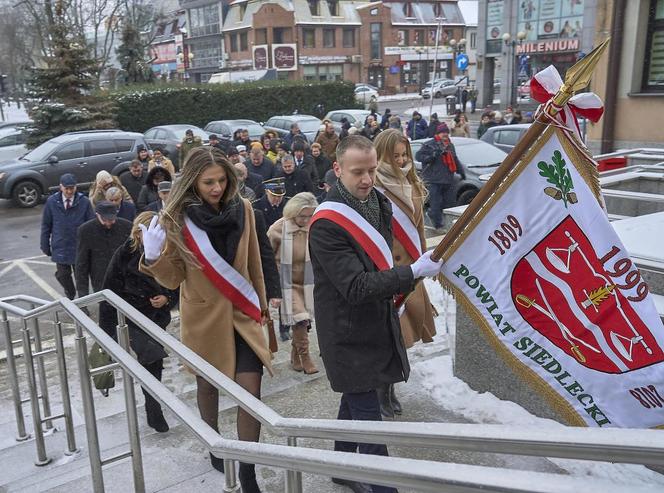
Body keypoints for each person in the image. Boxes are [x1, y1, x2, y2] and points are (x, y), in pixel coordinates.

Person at [139, 147, 281, 491]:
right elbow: (173, 279)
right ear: (193, 182)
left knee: (251, 391)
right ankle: (214, 442)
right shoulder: (176, 218)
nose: (216, 188)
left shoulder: (245, 209)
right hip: (203, 316)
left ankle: (247, 472)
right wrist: (153, 255)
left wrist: (269, 295)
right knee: (208, 386)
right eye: (208, 182)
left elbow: (260, 254)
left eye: (221, 180)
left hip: (242, 313)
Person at [308, 135, 444, 493]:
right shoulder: (327, 223)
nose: (367, 179)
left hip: (375, 323)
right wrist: (411, 273)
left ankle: (340, 467)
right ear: (337, 169)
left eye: (371, 170)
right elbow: (354, 286)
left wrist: (411, 272)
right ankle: (385, 487)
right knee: (371, 427)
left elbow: (381, 262)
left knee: (354, 401)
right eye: (357, 172)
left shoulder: (378, 204)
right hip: (347, 335)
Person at [373, 129, 437, 417]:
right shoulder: (372, 187)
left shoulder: (412, 184)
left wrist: (427, 260)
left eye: (403, 155)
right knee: (386, 336)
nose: (400, 161)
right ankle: (381, 391)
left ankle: (389, 388)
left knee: (402, 337)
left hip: (410, 269)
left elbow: (420, 230)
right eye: (394, 156)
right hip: (386, 270)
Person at [99, 212, 178, 433]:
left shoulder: (167, 252)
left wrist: (166, 299)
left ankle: (153, 407)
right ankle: (154, 410)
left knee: (154, 363)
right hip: (130, 318)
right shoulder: (125, 254)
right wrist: (104, 334)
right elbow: (108, 291)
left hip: (156, 319)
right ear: (138, 233)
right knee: (152, 357)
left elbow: (177, 284)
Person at [268, 193, 320, 374]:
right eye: (302, 216)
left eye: (309, 216)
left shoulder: (314, 226)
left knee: (304, 322)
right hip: (286, 283)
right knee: (300, 319)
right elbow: (266, 258)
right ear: (292, 212)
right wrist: (272, 289)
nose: (305, 220)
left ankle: (294, 354)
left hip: (308, 281)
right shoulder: (278, 229)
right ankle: (305, 357)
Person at [40, 173, 95, 299]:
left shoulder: (84, 202)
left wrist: (91, 246)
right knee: (62, 275)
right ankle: (70, 294)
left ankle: (83, 304)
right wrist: (44, 244)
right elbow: (46, 225)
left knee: (81, 279)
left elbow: (91, 225)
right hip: (61, 246)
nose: (70, 191)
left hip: (79, 247)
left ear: (76, 187)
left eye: (72, 188)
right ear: (61, 187)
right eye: (67, 188)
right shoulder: (52, 202)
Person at [75, 201, 133, 298]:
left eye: (111, 219)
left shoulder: (127, 227)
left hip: (125, 277)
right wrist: (82, 295)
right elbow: (82, 263)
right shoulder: (85, 231)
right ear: (97, 215)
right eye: (105, 219)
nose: (108, 223)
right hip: (101, 279)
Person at [415, 123, 465, 231]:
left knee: (448, 202)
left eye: (447, 132)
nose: (445, 134)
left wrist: (461, 172)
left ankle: (440, 220)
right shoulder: (429, 144)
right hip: (433, 179)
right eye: (443, 132)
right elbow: (418, 156)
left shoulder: (450, 145)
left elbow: (455, 159)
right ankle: (438, 225)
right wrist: (432, 155)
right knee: (436, 203)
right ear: (438, 133)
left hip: (448, 179)